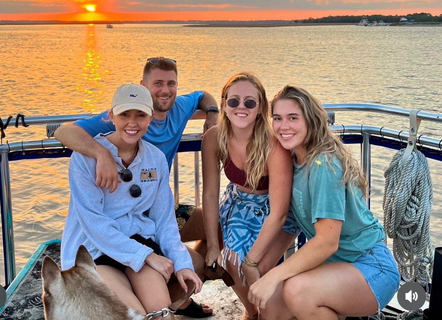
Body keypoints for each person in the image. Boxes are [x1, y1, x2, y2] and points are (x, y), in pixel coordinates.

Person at [55, 57, 217, 317]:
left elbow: (164, 220)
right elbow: (93, 223)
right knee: (134, 314)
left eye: (140, 114)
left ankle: (183, 302)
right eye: (124, 114)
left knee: (161, 312)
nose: (132, 122)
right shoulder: (86, 158)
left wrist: (182, 264)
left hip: (137, 239)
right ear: (111, 116)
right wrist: (147, 256)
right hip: (94, 248)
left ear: (151, 117)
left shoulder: (154, 159)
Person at [248, 85, 400, 320]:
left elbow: (327, 242)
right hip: (332, 266)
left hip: (370, 267)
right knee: (271, 307)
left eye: (293, 118)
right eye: (277, 118)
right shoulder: (293, 160)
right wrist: (257, 264)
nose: (283, 126)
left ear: (310, 120)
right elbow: (291, 222)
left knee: (297, 291)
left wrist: (274, 275)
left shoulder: (322, 165)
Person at [202, 72, 300, 320]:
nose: (241, 107)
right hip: (238, 202)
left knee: (260, 267)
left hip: (276, 209)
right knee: (231, 261)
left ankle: (271, 311)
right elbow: (211, 193)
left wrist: (253, 261)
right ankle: (253, 312)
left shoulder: (272, 144)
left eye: (250, 102)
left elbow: (279, 211)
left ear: (261, 107)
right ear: (224, 104)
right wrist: (213, 245)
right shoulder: (214, 137)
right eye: (233, 101)